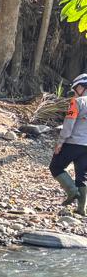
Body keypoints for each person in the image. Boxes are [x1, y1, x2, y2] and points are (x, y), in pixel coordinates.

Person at [50, 73, 87, 216]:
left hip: (73, 142)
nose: (75, 91)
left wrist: (60, 142)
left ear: (82, 87)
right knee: (82, 175)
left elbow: (68, 124)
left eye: (76, 88)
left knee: (55, 166)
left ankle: (72, 192)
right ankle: (81, 209)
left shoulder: (77, 102)